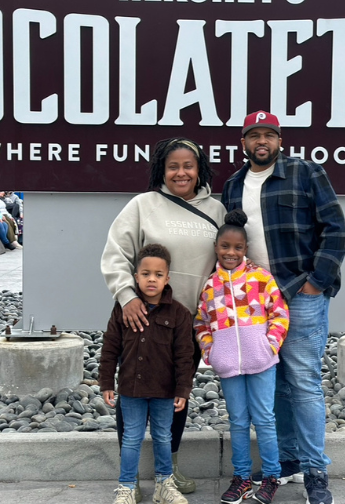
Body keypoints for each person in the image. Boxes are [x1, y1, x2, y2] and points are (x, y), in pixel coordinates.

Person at [221, 111, 345, 504]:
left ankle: (315, 470)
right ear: (243, 142)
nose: (262, 141)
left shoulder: (306, 172)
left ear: (280, 140)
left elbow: (335, 230)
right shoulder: (233, 185)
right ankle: (288, 460)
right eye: (253, 135)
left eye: (269, 135)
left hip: (300, 294)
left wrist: (316, 282)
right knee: (272, 384)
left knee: (304, 384)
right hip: (256, 305)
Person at [101, 137, 226, 498]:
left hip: (187, 324)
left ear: (199, 169)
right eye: (173, 166)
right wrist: (127, 297)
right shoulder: (142, 206)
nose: (181, 172)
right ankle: (129, 481)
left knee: (175, 395)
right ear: (162, 170)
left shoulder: (216, 211)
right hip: (142, 319)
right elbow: (115, 256)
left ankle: (167, 474)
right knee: (133, 395)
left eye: (188, 165)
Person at [194, 210, 289, 504]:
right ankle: (242, 478)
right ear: (216, 248)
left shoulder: (261, 278)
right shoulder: (210, 286)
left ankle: (272, 476)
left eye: (237, 248)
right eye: (225, 247)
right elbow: (201, 322)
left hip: (261, 362)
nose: (231, 253)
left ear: (245, 249)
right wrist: (211, 352)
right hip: (228, 365)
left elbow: (280, 313)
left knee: (264, 419)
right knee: (237, 420)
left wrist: (269, 346)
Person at [99, 244, 193, 504]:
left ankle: (164, 485)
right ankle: (127, 487)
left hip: (164, 391)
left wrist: (183, 390)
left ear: (167, 278)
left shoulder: (179, 314)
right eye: (146, 273)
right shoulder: (122, 310)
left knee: (164, 436)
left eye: (158, 274)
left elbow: (185, 356)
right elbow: (110, 347)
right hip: (131, 389)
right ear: (136, 277)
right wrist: (106, 381)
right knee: (131, 438)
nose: (152, 279)